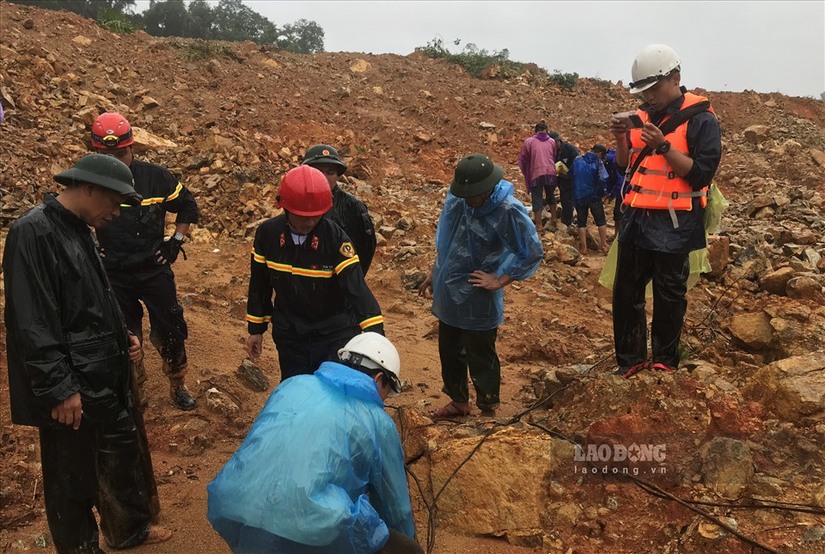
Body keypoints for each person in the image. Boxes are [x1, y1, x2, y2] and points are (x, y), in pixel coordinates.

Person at [3, 154, 172, 553]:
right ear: (90, 187)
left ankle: (128, 530)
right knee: (70, 474)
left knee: (119, 449)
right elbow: (32, 320)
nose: (118, 212)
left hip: (101, 371)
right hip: (72, 383)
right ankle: (80, 547)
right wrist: (59, 388)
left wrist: (122, 335)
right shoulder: (34, 233)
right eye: (115, 201)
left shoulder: (79, 228)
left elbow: (96, 295)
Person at [208, 332, 423, 554]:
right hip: (308, 526)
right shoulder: (378, 421)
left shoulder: (292, 384)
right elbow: (395, 504)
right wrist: (404, 541)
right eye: (387, 392)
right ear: (378, 379)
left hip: (236, 507)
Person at [609, 44, 722, 378]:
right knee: (626, 292)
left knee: (669, 293)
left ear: (675, 78)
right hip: (636, 216)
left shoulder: (701, 119)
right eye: (644, 91)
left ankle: (664, 360)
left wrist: (663, 145)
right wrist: (620, 140)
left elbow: (701, 173)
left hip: (676, 221)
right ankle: (630, 360)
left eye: (654, 89)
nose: (650, 97)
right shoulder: (641, 118)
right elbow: (623, 166)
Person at [419, 154, 543, 418]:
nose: (469, 199)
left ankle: (488, 406)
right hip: (449, 284)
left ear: (488, 188)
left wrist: (499, 279)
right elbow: (447, 241)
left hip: (479, 291)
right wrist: (435, 272)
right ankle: (458, 401)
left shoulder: (507, 210)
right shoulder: (459, 200)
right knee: (449, 346)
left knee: (480, 351)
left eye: (474, 195)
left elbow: (531, 251)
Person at [91, 112, 200, 411]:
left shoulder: (156, 177)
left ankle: (178, 383)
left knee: (171, 327)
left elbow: (188, 206)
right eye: (106, 155)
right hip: (113, 272)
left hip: (153, 269)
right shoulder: (92, 181)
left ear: (132, 148)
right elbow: (74, 215)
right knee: (123, 335)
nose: (114, 160)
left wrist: (175, 242)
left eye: (120, 153)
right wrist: (91, 246)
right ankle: (135, 388)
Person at [246, 164, 385, 381]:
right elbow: (260, 285)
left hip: (333, 334)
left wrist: (376, 337)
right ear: (285, 208)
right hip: (290, 334)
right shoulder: (267, 235)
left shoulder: (335, 239)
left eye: (316, 215)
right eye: (303, 216)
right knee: (296, 388)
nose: (310, 222)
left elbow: (357, 290)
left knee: (330, 391)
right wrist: (256, 329)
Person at [301, 144, 377, 274]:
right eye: (318, 172)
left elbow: (366, 248)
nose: (324, 177)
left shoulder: (353, 207)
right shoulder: (295, 202)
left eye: (330, 172)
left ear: (338, 176)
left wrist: (351, 282)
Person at [518, 121, 558, 231]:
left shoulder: (529, 142)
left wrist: (526, 170)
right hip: (550, 171)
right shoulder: (552, 141)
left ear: (535, 131)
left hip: (536, 172)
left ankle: (539, 225)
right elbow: (553, 155)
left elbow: (523, 158)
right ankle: (554, 219)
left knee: (537, 198)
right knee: (551, 195)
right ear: (547, 130)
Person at [571, 144, 610, 254]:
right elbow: (604, 178)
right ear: (600, 154)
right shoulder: (598, 162)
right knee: (601, 221)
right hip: (594, 196)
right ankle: (604, 245)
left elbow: (571, 174)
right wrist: (604, 193)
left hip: (579, 195)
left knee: (581, 222)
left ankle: (584, 248)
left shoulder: (577, 159)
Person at [549, 131, 580, 228]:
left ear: (559, 141)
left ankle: (568, 222)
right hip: (561, 179)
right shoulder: (553, 151)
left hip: (571, 179)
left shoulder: (569, 149)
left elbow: (578, 163)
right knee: (564, 199)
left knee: (568, 201)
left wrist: (570, 173)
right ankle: (566, 220)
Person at [603, 147, 625, 224]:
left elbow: (620, 181)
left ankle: (618, 234)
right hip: (622, 190)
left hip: (625, 191)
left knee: (619, 214)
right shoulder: (609, 161)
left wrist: (612, 195)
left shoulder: (613, 161)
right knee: (618, 213)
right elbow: (611, 179)